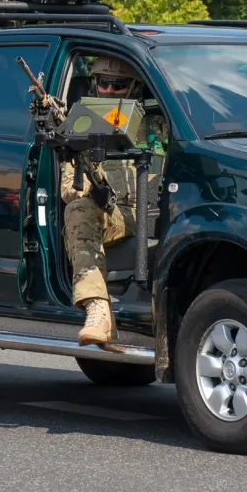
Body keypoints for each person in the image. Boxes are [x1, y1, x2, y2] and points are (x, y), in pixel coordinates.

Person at [60, 56, 167, 345]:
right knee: (78, 209)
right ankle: (97, 307)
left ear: (132, 87)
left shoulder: (157, 126)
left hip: (153, 213)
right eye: (102, 83)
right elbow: (68, 187)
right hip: (112, 214)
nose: (108, 91)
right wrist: (92, 194)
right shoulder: (81, 122)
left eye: (117, 85)